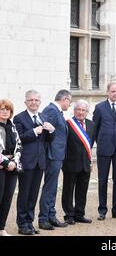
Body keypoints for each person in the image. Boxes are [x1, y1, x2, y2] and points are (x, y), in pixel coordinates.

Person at [14, 90, 55, 235]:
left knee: (33, 194)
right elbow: (18, 138)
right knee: (24, 194)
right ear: (25, 102)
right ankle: (22, 224)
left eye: (36, 100)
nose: (34, 102)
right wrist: (34, 131)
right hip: (26, 161)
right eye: (31, 100)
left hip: (40, 162)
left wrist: (51, 131)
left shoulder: (43, 117)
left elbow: (48, 141)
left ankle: (30, 222)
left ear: (40, 102)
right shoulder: (19, 118)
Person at [93, 82, 116, 220]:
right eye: (112, 91)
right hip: (104, 148)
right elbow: (95, 129)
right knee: (102, 180)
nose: (115, 94)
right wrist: (102, 141)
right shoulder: (100, 107)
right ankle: (102, 210)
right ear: (107, 92)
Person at [38, 89, 71, 230]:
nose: (69, 105)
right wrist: (48, 153)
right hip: (52, 154)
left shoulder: (57, 111)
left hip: (57, 154)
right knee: (49, 187)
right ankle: (44, 218)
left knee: (52, 187)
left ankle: (51, 215)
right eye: (69, 101)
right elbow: (45, 133)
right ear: (64, 99)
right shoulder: (52, 110)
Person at [62, 100, 94, 224]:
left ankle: (79, 214)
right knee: (68, 190)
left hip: (85, 164)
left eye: (83, 110)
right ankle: (69, 215)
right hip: (70, 163)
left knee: (82, 190)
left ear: (87, 112)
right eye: (78, 110)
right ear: (74, 111)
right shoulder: (68, 124)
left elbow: (91, 144)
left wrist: (90, 161)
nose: (81, 112)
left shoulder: (92, 124)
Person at [0, 99, 22, 237]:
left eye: (7, 109)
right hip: (2, 166)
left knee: (7, 199)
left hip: (13, 167)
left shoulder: (13, 127)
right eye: (2, 109)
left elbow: (19, 146)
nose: (5, 111)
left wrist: (14, 161)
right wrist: (7, 163)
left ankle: (1, 228)